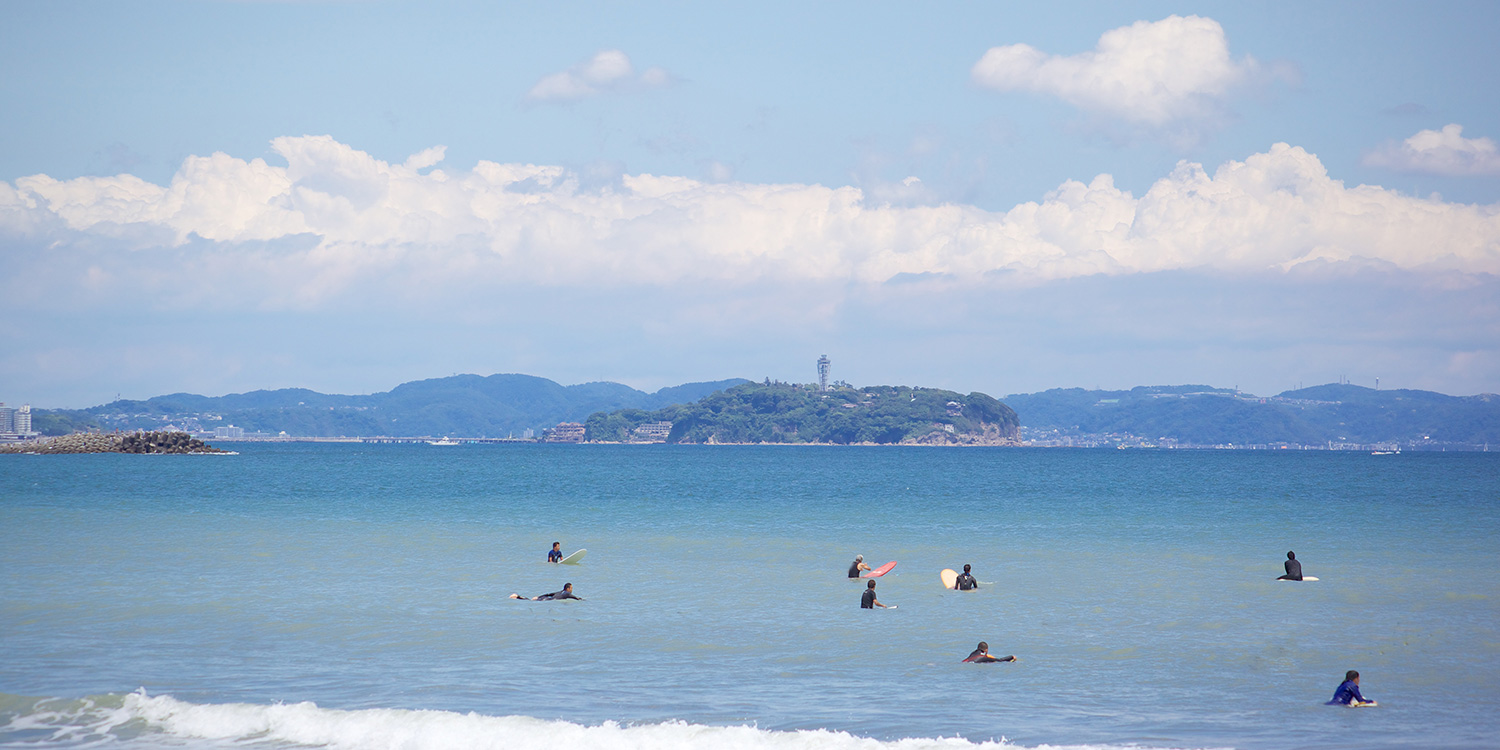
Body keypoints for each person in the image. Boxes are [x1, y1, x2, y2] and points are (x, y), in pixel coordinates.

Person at [510, 583, 583, 601]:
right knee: (531, 601)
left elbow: (549, 594)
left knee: (531, 600)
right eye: (571, 588)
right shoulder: (567, 593)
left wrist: (539, 596)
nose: (572, 590)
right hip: (549, 600)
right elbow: (573, 597)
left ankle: (518, 597)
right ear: (568, 588)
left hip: (545, 597)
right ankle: (517, 597)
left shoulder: (560, 592)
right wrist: (580, 599)